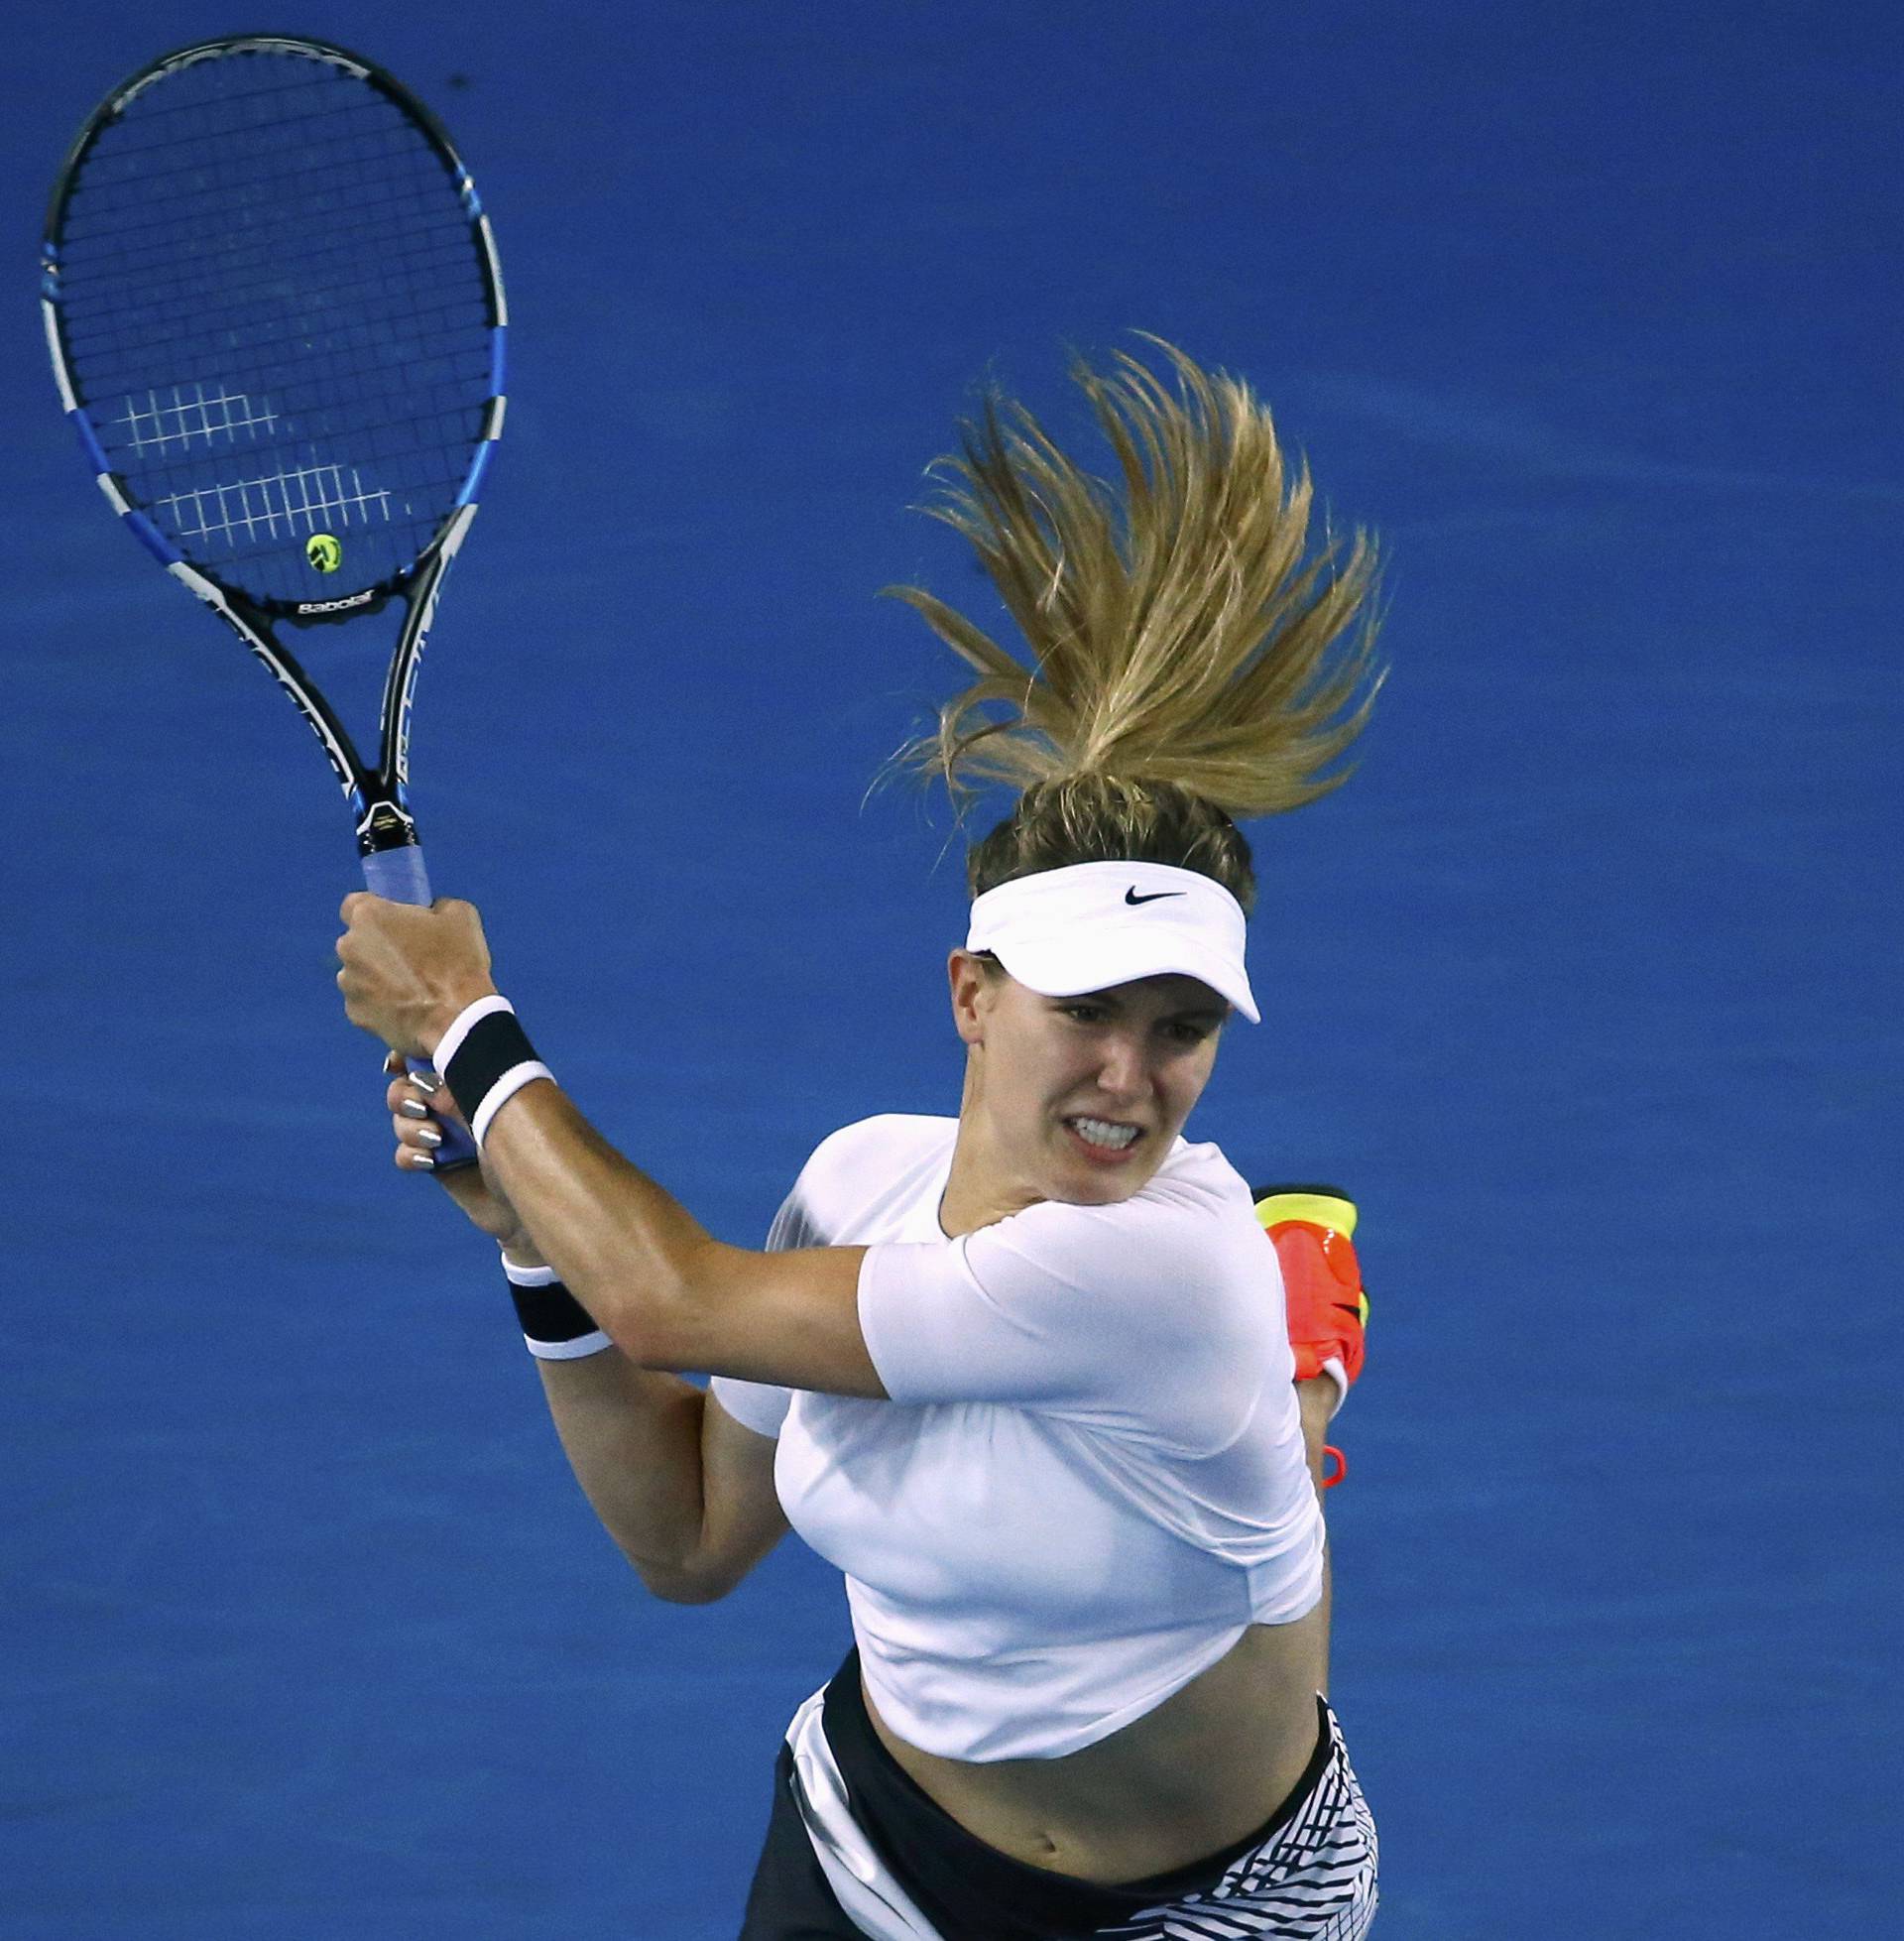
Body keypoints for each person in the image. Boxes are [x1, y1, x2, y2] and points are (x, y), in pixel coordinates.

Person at [336, 340, 1383, 1939]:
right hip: (870, 1855)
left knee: (1249, 1414)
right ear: (973, 994)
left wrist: (468, 1026)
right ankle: (1302, 1363)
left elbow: (671, 1302)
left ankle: (1298, 1353)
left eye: (1183, 1028)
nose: (1133, 1074)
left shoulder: (1154, 1267)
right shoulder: (859, 1185)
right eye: (1086, 1011)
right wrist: (530, 1236)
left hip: (1202, 1916)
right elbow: (688, 1539)